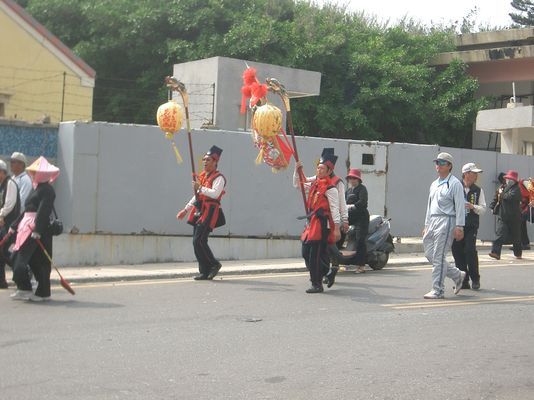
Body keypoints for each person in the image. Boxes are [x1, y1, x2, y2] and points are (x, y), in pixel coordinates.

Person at [10, 156, 58, 302]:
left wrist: (37, 230)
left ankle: (43, 292)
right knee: (16, 258)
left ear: (42, 173)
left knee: (39, 262)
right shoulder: (37, 188)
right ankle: (24, 288)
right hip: (25, 228)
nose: (33, 174)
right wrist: (14, 226)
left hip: (36, 230)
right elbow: (27, 210)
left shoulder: (48, 190)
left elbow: (43, 211)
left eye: (35, 172)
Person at [177, 146, 226, 280]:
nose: (205, 162)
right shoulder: (203, 176)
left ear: (215, 162)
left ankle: (214, 264)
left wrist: (200, 188)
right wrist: (186, 209)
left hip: (210, 210)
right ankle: (204, 270)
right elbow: (196, 195)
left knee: (200, 239)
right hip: (199, 209)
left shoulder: (219, 178)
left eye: (208, 160)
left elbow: (215, 194)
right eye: (204, 160)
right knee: (195, 241)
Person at [294, 152, 341, 293]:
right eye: (318, 168)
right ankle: (326, 273)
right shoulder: (314, 183)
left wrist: (337, 228)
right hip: (312, 222)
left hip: (322, 224)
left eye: (322, 169)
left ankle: (317, 283)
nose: (318, 170)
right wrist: (297, 170)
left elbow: (335, 208)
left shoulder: (331, 189)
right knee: (306, 251)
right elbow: (298, 185)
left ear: (329, 171)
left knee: (316, 254)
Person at [422, 152, 466, 299]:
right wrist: (427, 224)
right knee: (430, 254)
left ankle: (438, 289)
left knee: (439, 256)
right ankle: (457, 275)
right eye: (437, 163)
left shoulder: (454, 183)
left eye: (441, 163)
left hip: (447, 220)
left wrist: (459, 226)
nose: (438, 166)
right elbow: (430, 205)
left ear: (449, 166)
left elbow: (460, 205)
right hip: (433, 221)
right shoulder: (434, 184)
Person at [451, 163, 486, 290]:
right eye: (474, 173)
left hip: (471, 226)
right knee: (457, 252)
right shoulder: (455, 186)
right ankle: (463, 280)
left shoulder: (478, 190)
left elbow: (483, 209)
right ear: (466, 174)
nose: (476, 176)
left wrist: (473, 207)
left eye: (477, 174)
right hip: (456, 226)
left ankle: (475, 279)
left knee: (470, 251)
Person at [489, 170, 523, 260]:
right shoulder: (502, 188)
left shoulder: (517, 189)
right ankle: (495, 252)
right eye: (508, 179)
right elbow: (496, 197)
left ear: (514, 180)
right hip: (503, 215)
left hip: (514, 217)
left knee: (516, 237)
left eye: (510, 179)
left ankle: (518, 253)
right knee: (499, 234)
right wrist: (492, 206)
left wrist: (502, 193)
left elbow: (510, 197)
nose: (508, 180)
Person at [0, 160, 21, 289]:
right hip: (3, 225)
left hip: (10, 225)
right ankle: (2, 281)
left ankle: (23, 272)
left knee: (7, 253)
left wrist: (1, 215)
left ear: (3, 172)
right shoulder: (1, 186)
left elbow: (9, 204)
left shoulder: (10, 184)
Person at [345, 168, 369, 274]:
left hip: (361, 218)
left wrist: (353, 206)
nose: (352, 180)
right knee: (339, 233)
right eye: (350, 178)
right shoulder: (348, 191)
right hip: (350, 217)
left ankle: (361, 265)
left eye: (354, 178)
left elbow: (363, 202)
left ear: (358, 179)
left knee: (360, 240)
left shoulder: (362, 189)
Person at [518, 177, 533, 250]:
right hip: (526, 208)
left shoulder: (522, 182)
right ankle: (524, 244)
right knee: (521, 223)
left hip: (530, 206)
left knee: (521, 222)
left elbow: (532, 189)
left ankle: (525, 243)